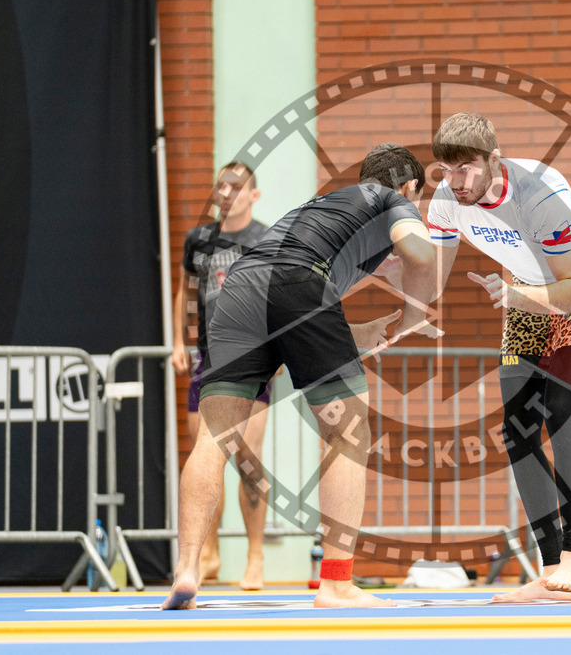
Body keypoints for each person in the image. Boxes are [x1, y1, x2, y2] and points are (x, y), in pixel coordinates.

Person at [162, 143, 441, 610]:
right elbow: (421, 255)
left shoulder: (325, 207)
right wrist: (414, 314)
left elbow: (287, 295)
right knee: (347, 433)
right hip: (297, 284)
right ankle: (336, 583)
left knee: (214, 436)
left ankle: (187, 570)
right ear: (411, 186)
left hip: (240, 292)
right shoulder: (393, 199)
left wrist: (354, 332)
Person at [427, 112, 571, 602]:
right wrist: (406, 302)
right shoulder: (447, 199)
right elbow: (432, 274)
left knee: (559, 413)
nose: (456, 181)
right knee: (518, 430)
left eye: (467, 168)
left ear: (494, 160)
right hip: (526, 294)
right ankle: (550, 569)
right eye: (447, 170)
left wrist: (521, 296)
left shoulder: (539, 197)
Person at [171, 161, 274, 590]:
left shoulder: (266, 238)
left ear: (254, 195)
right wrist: (178, 341)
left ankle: (255, 557)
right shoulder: (199, 239)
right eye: (221, 186)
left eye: (237, 186)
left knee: (248, 459)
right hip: (208, 359)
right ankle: (207, 553)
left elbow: (279, 296)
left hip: (253, 358)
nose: (227, 193)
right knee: (206, 455)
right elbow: (185, 289)